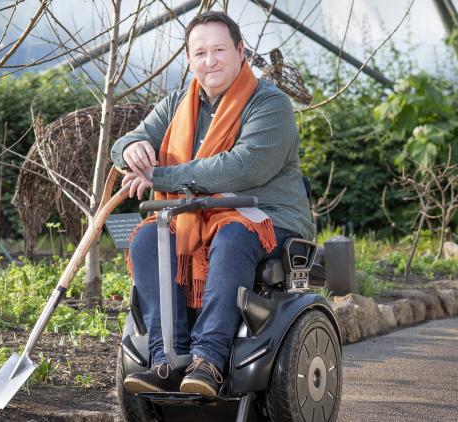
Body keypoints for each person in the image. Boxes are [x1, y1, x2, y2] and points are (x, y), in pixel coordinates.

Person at [110, 11, 315, 399]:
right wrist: (131, 149)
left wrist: (158, 176)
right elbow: (126, 143)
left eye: (219, 50)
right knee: (146, 240)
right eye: (200, 52)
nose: (210, 60)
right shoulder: (177, 104)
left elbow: (243, 167)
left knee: (234, 234)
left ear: (240, 52)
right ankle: (166, 359)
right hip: (198, 218)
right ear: (189, 59)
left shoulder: (270, 105)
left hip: (266, 216)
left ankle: (208, 360)